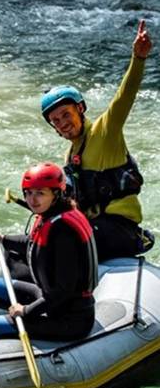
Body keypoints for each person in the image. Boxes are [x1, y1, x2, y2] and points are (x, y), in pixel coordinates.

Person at [40, 19, 153, 261]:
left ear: (80, 109)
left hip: (120, 228)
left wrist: (138, 59)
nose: (62, 123)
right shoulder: (70, 155)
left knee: (69, 240)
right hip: (96, 226)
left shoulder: (105, 131)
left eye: (66, 114)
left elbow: (124, 97)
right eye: (56, 120)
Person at [0, 163, 97, 342]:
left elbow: (62, 292)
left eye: (40, 193)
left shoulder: (63, 232)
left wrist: (26, 311)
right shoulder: (51, 216)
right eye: (28, 193)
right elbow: (32, 242)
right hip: (47, 298)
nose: (32, 199)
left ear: (56, 194)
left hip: (69, 318)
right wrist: (4, 239)